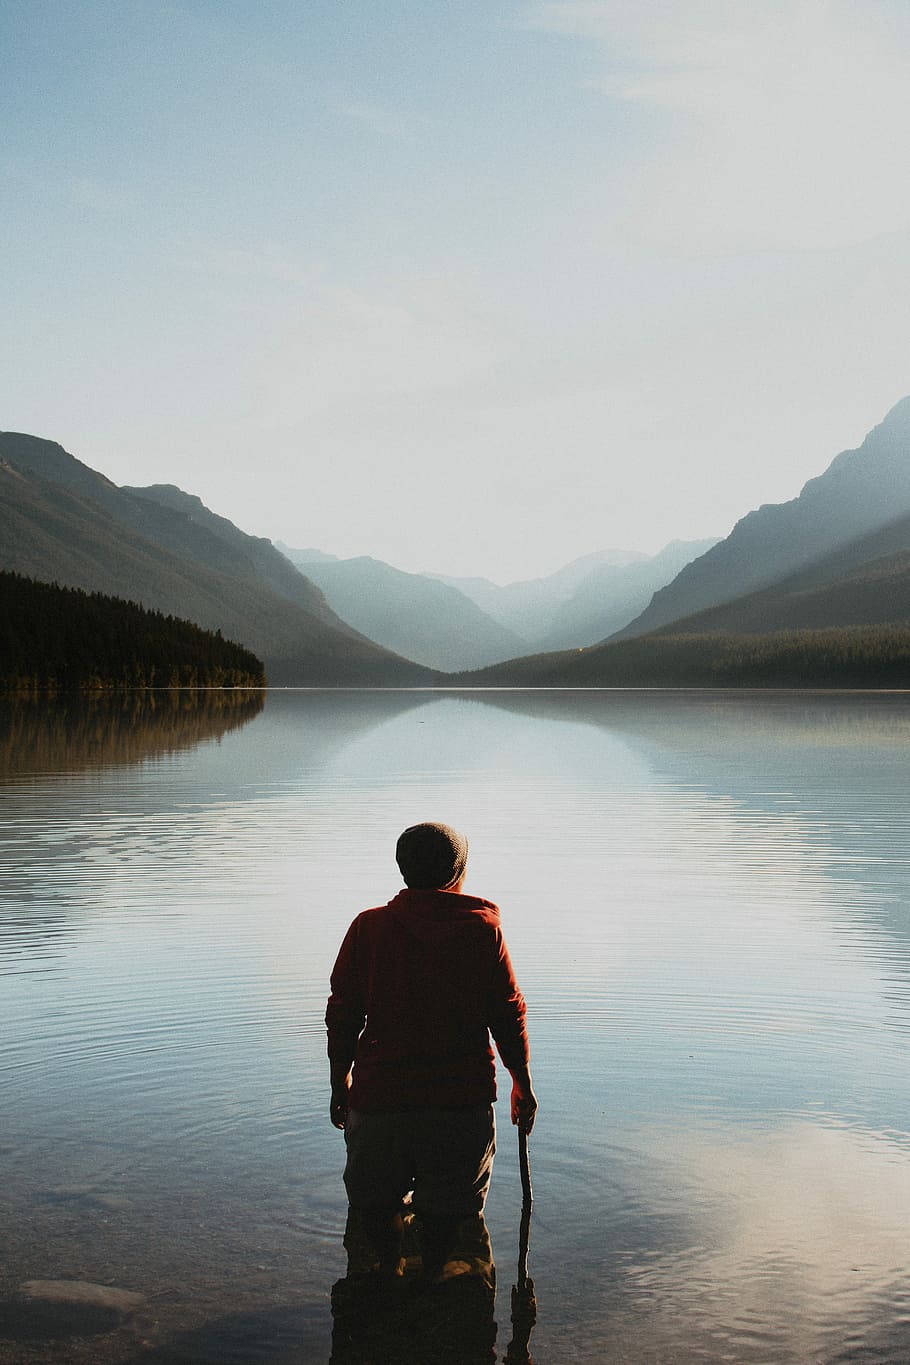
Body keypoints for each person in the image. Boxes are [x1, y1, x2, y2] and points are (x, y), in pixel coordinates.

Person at [326, 821, 537, 1278]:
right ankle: (435, 1278)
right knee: (449, 1209)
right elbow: (508, 1013)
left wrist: (339, 1079)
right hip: (458, 1102)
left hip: (381, 1098)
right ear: (460, 871)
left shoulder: (369, 928)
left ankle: (386, 1273)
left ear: (403, 869)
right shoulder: (482, 931)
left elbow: (343, 1011)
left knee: (376, 1204)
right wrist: (522, 1082)